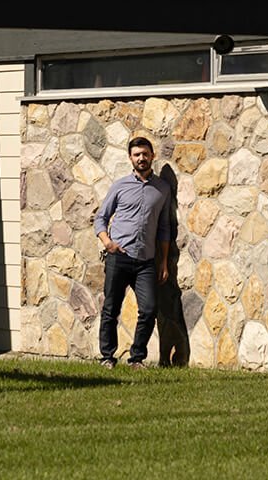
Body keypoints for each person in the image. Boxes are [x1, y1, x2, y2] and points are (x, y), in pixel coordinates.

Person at [94, 134, 175, 368]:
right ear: (130, 158)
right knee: (111, 308)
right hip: (118, 257)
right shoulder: (120, 186)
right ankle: (107, 356)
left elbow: (164, 228)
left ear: (152, 156)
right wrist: (107, 243)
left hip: (146, 261)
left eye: (145, 154)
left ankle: (136, 357)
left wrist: (163, 263)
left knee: (149, 310)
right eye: (137, 154)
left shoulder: (162, 189)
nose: (142, 158)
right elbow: (101, 218)